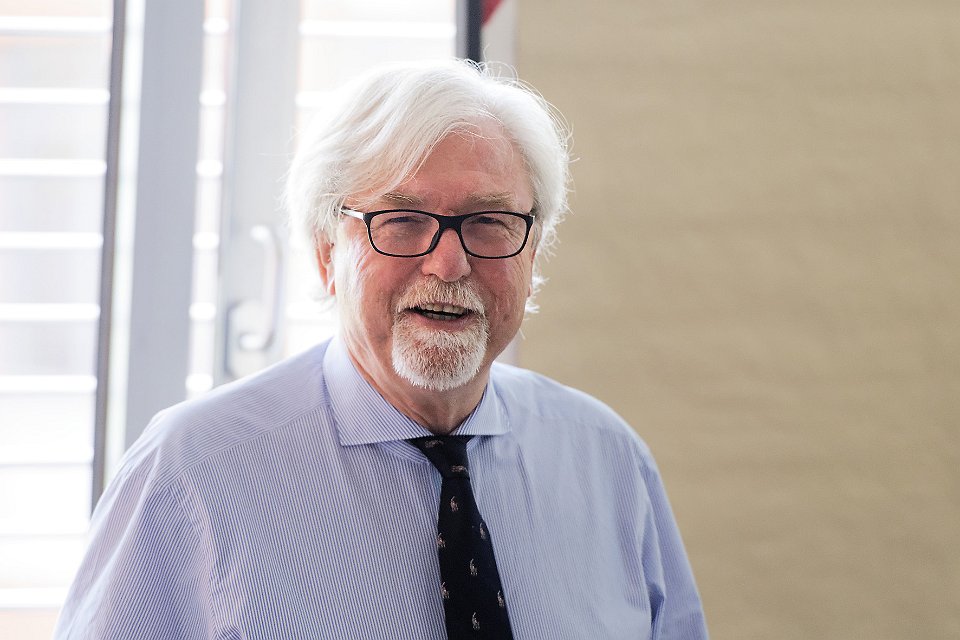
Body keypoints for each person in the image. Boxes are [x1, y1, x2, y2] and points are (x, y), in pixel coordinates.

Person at [55, 60, 708, 639]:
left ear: (532, 253)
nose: (448, 264)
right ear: (325, 254)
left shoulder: (608, 460)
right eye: (402, 221)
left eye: (489, 222)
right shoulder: (193, 472)